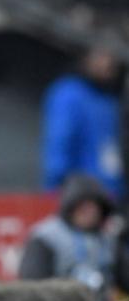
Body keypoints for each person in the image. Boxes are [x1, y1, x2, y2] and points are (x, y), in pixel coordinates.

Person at [19, 174, 116, 301]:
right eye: (83, 207)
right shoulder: (46, 238)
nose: (90, 213)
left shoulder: (107, 240)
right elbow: (32, 292)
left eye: (94, 207)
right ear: (71, 206)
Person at [43, 46, 124, 198]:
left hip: (111, 192)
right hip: (81, 194)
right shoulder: (69, 93)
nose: (109, 62)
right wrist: (59, 184)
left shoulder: (108, 98)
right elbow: (60, 140)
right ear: (86, 58)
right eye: (102, 55)